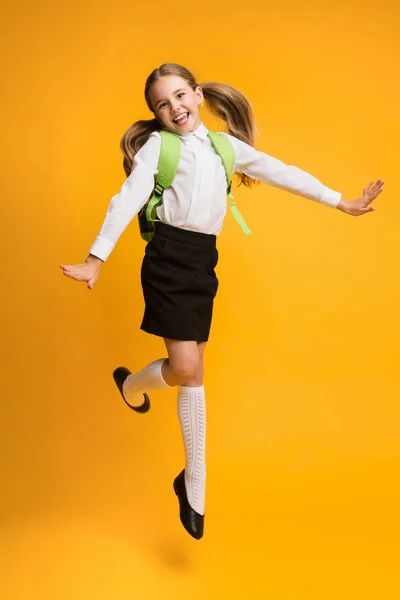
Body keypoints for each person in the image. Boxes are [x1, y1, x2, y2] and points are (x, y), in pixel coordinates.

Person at [60, 63, 384, 540]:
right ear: (156, 114)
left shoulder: (224, 147)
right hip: (167, 259)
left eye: (179, 96)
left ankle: (185, 473)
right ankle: (169, 441)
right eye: (161, 104)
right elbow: (126, 198)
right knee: (187, 367)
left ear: (197, 94)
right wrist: (96, 258)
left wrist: (341, 201)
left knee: (193, 373)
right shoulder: (158, 147)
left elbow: (282, 173)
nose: (174, 108)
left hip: (202, 263)